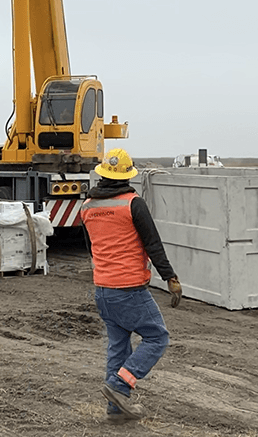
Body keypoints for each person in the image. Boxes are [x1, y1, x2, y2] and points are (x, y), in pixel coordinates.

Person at [80, 148, 182, 424]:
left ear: (102, 174)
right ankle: (120, 387)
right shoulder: (132, 203)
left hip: (103, 289)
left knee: (118, 346)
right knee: (157, 337)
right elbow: (153, 244)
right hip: (129, 289)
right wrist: (170, 278)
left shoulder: (87, 207)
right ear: (127, 175)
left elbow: (91, 248)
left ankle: (116, 411)